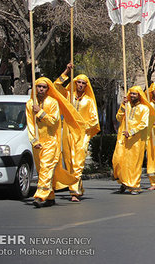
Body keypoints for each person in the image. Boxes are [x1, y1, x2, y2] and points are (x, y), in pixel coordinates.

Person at [26, 77, 85, 208]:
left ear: (48, 89)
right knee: (42, 169)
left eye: (44, 87)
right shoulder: (30, 104)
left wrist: (40, 112)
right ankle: (50, 196)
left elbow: (53, 121)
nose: (41, 89)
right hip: (37, 143)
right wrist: (33, 140)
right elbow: (30, 124)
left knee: (46, 167)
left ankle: (40, 196)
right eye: (39, 86)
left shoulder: (52, 103)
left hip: (51, 141)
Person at [54, 64, 100, 202]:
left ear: (86, 85)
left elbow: (94, 120)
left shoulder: (89, 101)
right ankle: (77, 187)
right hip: (68, 130)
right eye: (78, 82)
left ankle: (74, 192)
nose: (80, 85)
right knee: (69, 161)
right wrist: (66, 71)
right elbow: (56, 86)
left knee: (78, 161)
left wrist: (84, 126)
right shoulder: (68, 95)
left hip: (82, 134)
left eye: (83, 83)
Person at [112, 86, 155, 195]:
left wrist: (131, 132)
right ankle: (123, 181)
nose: (132, 96)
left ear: (139, 96)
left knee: (133, 163)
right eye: (131, 93)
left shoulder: (144, 108)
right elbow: (118, 117)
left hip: (136, 140)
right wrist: (123, 105)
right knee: (118, 160)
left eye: (134, 94)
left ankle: (134, 185)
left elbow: (143, 124)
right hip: (123, 138)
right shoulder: (126, 106)